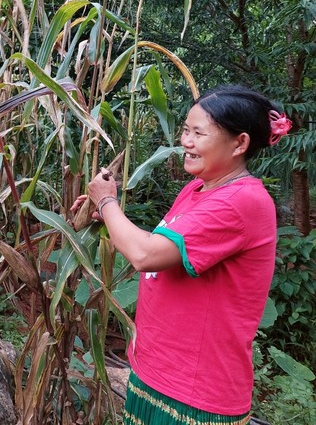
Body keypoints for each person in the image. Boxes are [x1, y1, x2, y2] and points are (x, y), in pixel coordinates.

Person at [72, 85, 291, 424]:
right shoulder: (198, 189)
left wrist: (106, 201)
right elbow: (161, 248)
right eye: (185, 130)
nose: (186, 142)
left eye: (198, 133)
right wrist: (108, 218)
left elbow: (145, 255)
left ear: (240, 143)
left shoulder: (241, 202)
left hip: (196, 389)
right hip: (157, 371)